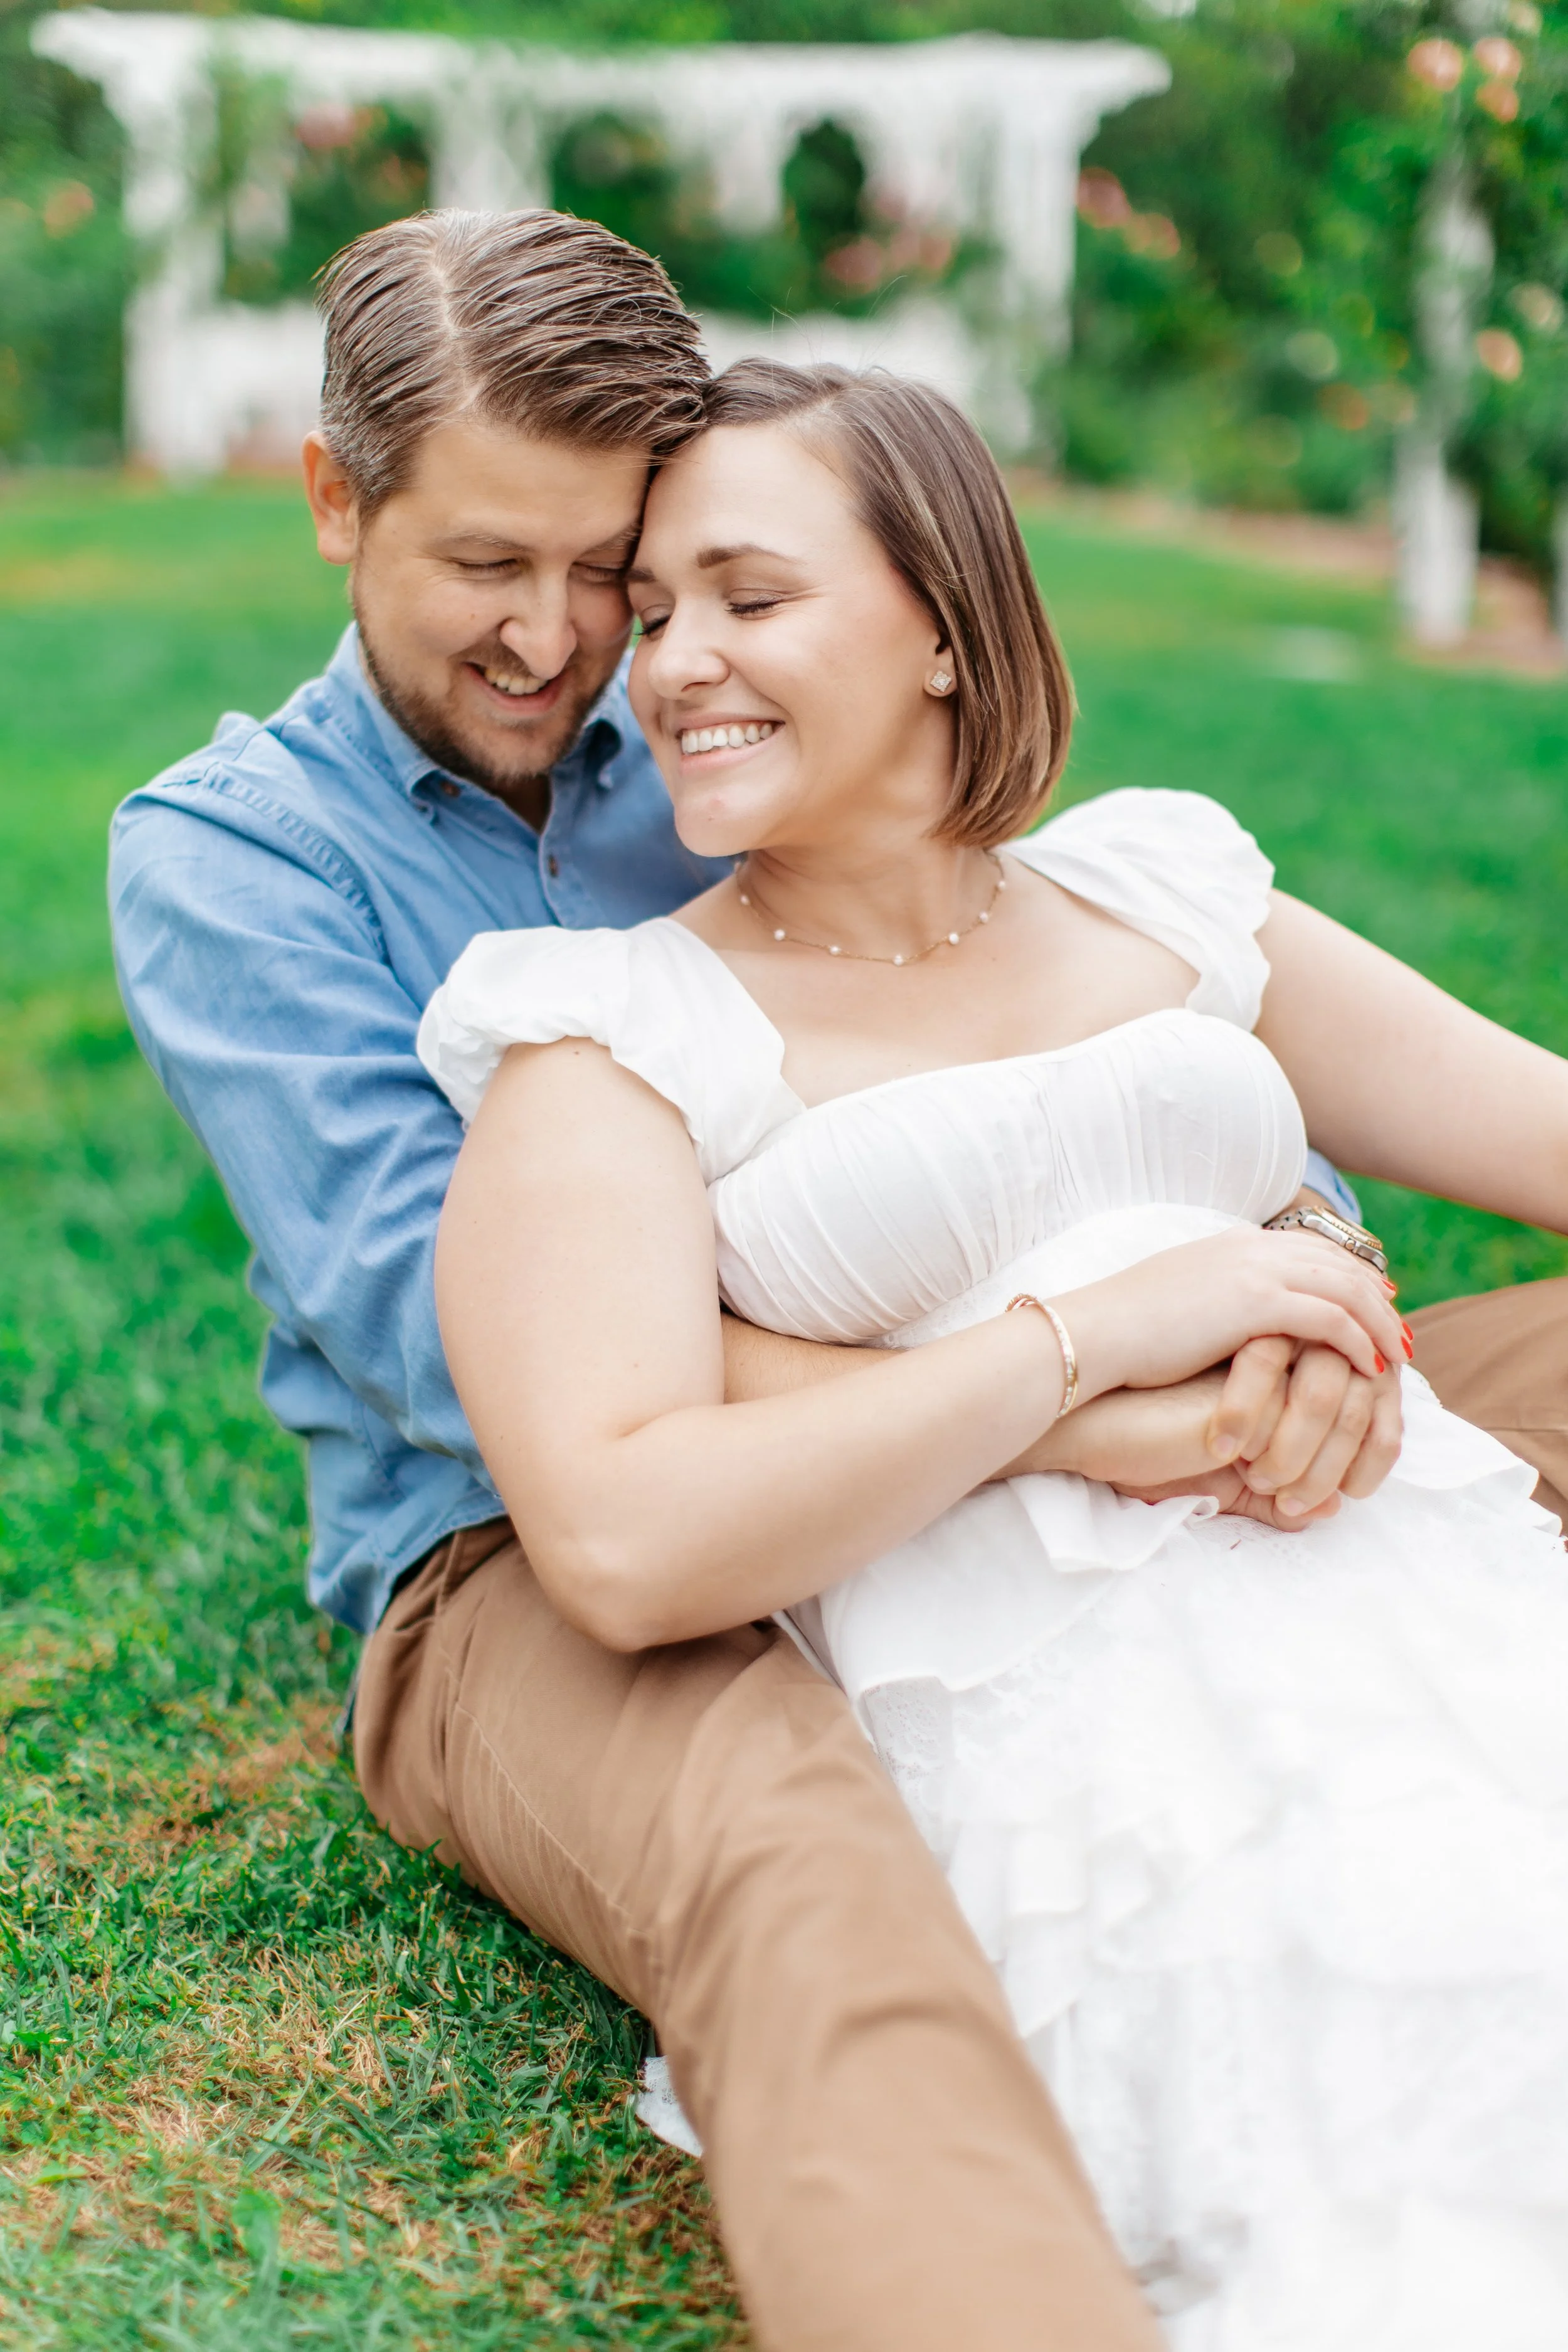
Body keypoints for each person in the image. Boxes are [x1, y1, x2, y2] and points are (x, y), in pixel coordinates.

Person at [105, 207, 1565, 2351]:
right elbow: (481, 1360)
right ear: (336, 500)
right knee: (801, 1864)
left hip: (1050, 1398)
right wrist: (1061, 1388)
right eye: (481, 565)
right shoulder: (247, 859)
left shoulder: (721, 734)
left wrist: (1285, 1266)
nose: (570, 639)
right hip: (507, 1539)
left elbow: (1066, 1037)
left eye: (613, 568)